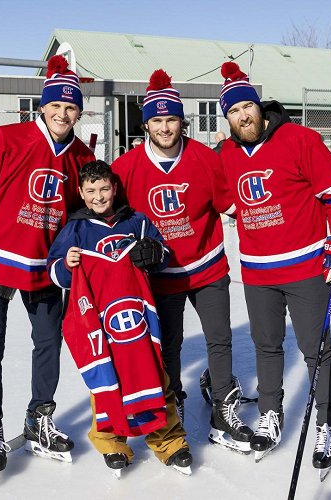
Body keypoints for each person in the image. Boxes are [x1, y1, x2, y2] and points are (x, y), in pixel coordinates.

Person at [0, 55, 95, 478]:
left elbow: (84, 216)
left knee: (48, 343)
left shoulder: (81, 157)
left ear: (79, 112)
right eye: (57, 105)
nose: (63, 114)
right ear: (42, 105)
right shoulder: (3, 140)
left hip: (45, 269)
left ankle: (38, 418)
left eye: (71, 108)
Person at [216, 62, 331, 473]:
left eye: (247, 106)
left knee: (316, 351)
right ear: (226, 118)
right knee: (266, 346)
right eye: (233, 111)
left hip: (305, 266)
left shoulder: (299, 139)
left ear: (259, 107)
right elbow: (225, 201)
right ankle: (270, 413)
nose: (243, 116)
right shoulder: (225, 153)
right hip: (257, 271)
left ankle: (327, 423)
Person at [112, 69, 253, 454]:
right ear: (146, 124)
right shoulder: (125, 168)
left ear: (181, 120)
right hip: (162, 276)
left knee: (219, 339)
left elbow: (235, 206)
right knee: (168, 346)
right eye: (156, 119)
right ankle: (173, 407)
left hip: (207, 267)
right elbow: (110, 220)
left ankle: (224, 411)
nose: (164, 126)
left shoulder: (206, 159)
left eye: (171, 118)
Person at [47, 160, 193, 475]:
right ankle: (111, 441)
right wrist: (66, 265)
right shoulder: (75, 229)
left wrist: (154, 253)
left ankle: (169, 441)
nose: (98, 196)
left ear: (114, 188)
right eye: (91, 191)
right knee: (106, 381)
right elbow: (55, 272)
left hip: (139, 317)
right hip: (100, 322)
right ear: (81, 194)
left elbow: (162, 254)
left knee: (155, 375)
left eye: (103, 189)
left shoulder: (137, 222)